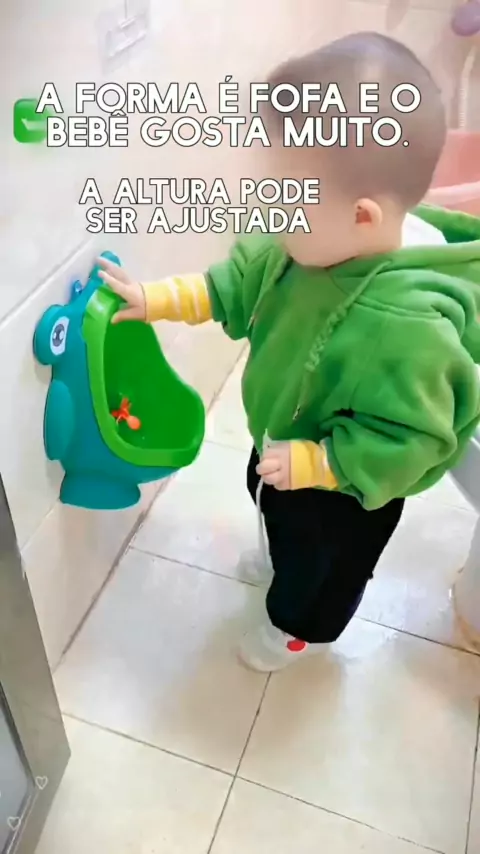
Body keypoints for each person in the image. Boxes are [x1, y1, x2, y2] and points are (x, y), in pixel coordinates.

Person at [98, 32, 480, 672]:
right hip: (285, 433)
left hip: (346, 485)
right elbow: (233, 282)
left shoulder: (410, 326)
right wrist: (154, 298)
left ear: (362, 216)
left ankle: (297, 630)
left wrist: (320, 463)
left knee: (320, 567)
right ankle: (281, 555)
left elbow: (412, 439)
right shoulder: (308, 240)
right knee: (273, 507)